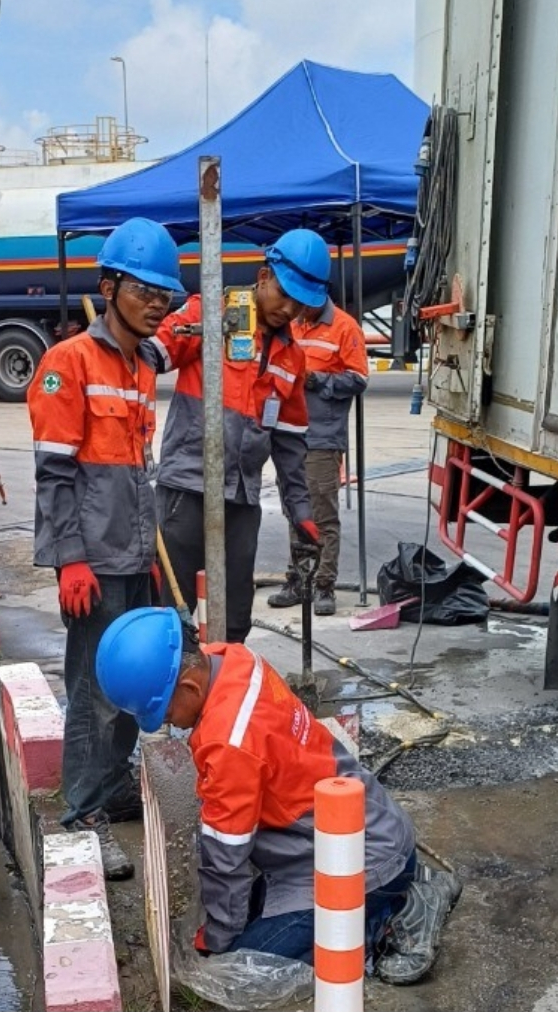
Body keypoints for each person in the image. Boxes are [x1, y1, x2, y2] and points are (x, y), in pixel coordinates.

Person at [95, 606, 463, 984]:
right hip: (356, 833)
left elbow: (226, 860)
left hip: (363, 861)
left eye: (164, 711)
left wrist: (218, 944)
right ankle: (397, 888)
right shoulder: (232, 658)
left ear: (190, 688)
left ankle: (400, 913)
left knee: (249, 970)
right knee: (250, 924)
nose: (166, 722)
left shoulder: (229, 743)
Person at [27, 217, 183, 880]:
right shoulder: (68, 363)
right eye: (144, 290)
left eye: (164, 294)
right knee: (92, 690)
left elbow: (133, 467)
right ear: (110, 286)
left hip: (133, 553)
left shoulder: (142, 364)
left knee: (129, 682)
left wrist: (149, 551)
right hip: (91, 560)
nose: (156, 303)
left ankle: (114, 784)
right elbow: (55, 475)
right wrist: (70, 559)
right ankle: (82, 809)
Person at [152, 229, 329, 643]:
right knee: (171, 612)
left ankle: (225, 677)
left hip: (242, 497)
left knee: (234, 617)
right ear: (264, 276)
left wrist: (300, 510)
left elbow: (289, 443)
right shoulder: (210, 314)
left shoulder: (291, 357)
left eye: (300, 303)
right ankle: (174, 680)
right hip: (187, 489)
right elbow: (150, 355)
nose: (289, 309)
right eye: (284, 295)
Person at [267, 297, 369, 616]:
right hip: (289, 433)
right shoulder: (292, 323)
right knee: (295, 510)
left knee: (322, 514)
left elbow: (358, 379)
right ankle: (299, 579)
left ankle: (324, 583)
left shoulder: (344, 327)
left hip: (322, 436)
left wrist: (316, 379)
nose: (297, 310)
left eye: (304, 304)